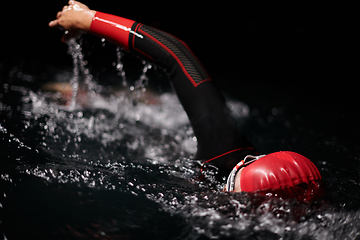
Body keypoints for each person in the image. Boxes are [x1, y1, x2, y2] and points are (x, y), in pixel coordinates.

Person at [49, 1, 323, 201]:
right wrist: (88, 19)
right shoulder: (224, 150)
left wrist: (88, 19)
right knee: (152, 126)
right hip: (179, 149)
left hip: (179, 158)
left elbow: (178, 56)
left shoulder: (224, 153)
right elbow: (176, 54)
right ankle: (109, 98)